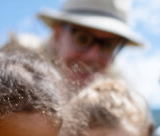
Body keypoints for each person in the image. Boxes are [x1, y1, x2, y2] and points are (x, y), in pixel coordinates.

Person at [17, 0, 146, 87]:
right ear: (58, 35)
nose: (93, 56)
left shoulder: (124, 99)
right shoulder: (14, 70)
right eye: (83, 39)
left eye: (109, 45)